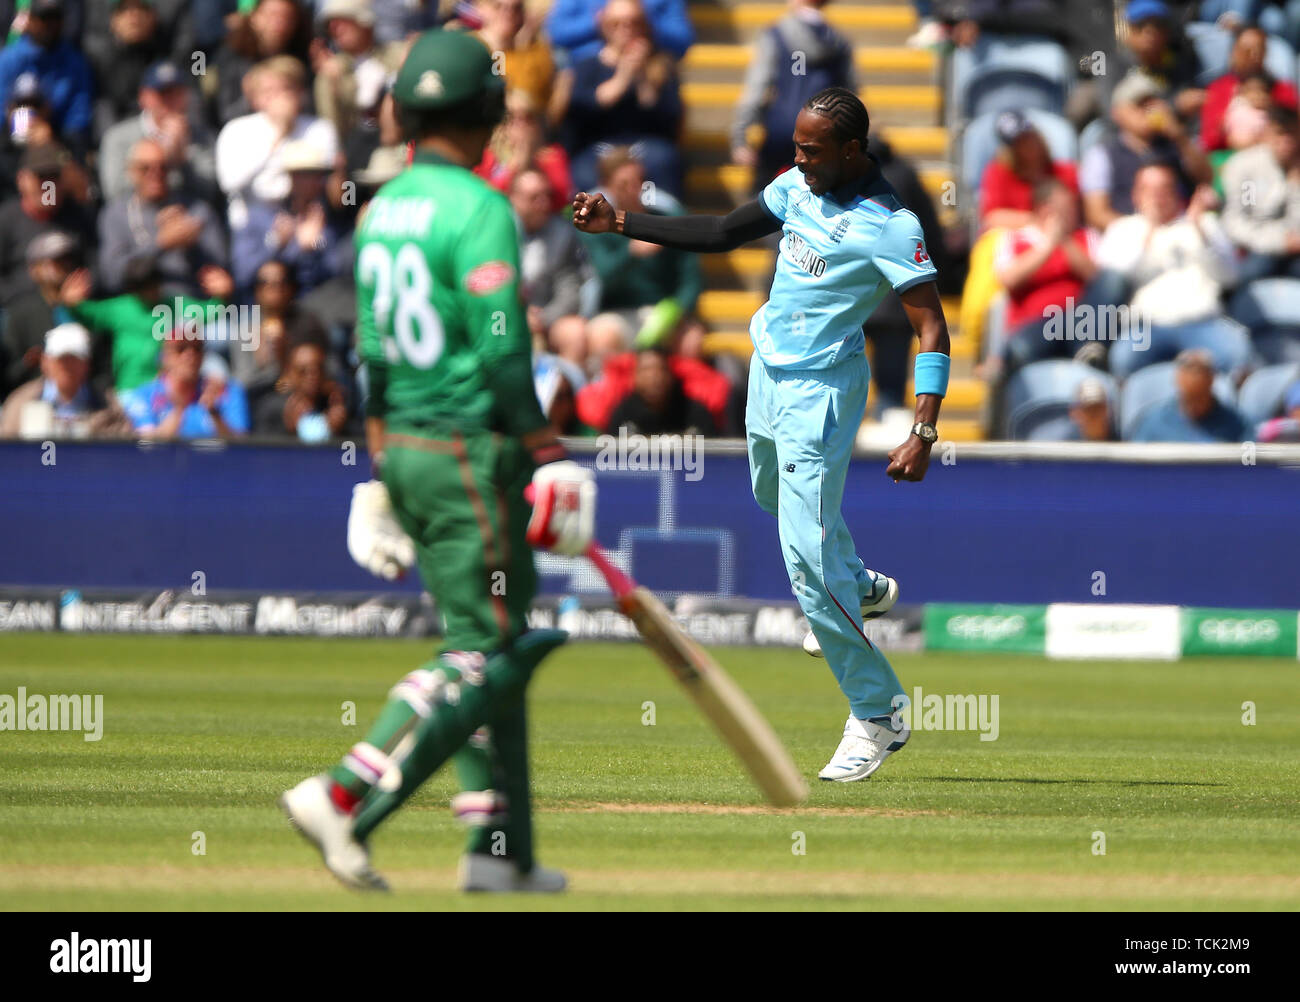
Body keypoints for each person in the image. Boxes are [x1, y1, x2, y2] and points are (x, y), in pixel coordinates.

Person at [279, 29, 597, 895]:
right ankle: (344, 795)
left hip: (412, 446)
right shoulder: (479, 205)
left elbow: (372, 357)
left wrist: (381, 471)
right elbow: (501, 354)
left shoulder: (381, 207)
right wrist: (546, 449)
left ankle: (500, 855)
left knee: (487, 645)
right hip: (468, 449)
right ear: (488, 112)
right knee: (487, 653)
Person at [573, 86, 952, 783]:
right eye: (797, 146)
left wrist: (924, 429)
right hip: (768, 374)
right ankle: (858, 582)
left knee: (805, 560)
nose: (799, 158)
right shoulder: (798, 186)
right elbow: (720, 231)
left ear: (852, 151)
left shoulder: (889, 223)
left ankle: (878, 710)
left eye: (812, 149)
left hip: (823, 392)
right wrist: (620, 221)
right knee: (770, 497)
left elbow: (931, 323)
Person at [1094, 163, 1244, 379]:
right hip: (1148, 328)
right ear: (1136, 194)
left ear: (1177, 192)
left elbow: (1230, 277)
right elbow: (1112, 283)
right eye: (1150, 190)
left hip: (1203, 323)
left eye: (1165, 189)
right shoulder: (1122, 229)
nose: (1158, 197)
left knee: (1238, 355)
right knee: (1123, 361)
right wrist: (1150, 231)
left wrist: (1200, 231)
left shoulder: (1204, 223)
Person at [555, 0, 684, 197]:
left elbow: (668, 116)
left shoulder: (662, 66)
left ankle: (656, 218)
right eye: (617, 24)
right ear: (604, 26)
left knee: (662, 161)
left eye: (633, 23)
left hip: (646, 146)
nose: (626, 30)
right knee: (586, 171)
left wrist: (642, 77)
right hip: (598, 146)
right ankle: (595, 219)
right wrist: (623, 76)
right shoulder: (587, 65)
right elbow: (580, 109)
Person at [730, 0, 855, 190]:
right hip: (824, 135)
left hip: (782, 131)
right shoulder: (838, 41)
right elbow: (850, 96)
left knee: (765, 202)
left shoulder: (776, 34)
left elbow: (757, 88)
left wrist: (740, 137)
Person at [1079, 72, 1211, 232]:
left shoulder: (1177, 143)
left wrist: (1178, 135)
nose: (1148, 111)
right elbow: (1097, 214)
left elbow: (1206, 179)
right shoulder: (1102, 155)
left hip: (1182, 230)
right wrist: (1144, 232)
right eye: (1139, 105)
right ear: (1117, 114)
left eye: (1153, 103)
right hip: (1131, 240)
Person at [97, 138, 228, 297]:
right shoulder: (115, 215)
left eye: (163, 167)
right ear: (130, 171)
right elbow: (112, 276)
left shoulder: (197, 210)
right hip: (140, 308)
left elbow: (220, 270)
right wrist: (160, 244)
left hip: (191, 305)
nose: (155, 174)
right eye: (145, 168)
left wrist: (191, 244)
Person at [0, 323, 130, 438]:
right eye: (61, 360)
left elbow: (123, 451)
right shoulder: (20, 402)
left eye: (74, 359)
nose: (67, 367)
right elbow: (7, 452)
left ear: (86, 364)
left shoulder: (108, 404)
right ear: (45, 362)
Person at [1220, 104, 1300, 281]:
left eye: (1293, 133)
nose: (1288, 141)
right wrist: (1279, 243)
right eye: (1280, 133)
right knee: (1254, 271)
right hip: (1258, 248)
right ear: (1267, 134)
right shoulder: (1248, 169)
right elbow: (1240, 221)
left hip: (1295, 248)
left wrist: (1295, 185)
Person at [119, 332, 250, 439]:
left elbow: (241, 447)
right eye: (180, 348)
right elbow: (147, 447)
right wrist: (180, 407)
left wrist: (214, 414)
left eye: (197, 348)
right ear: (164, 357)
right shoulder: (141, 396)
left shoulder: (227, 391)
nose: (190, 355)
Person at [1201, 23, 1298, 153]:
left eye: (1259, 50)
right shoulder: (1218, 89)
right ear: (1234, 52)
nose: (1254, 56)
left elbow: (1293, 131)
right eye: (1247, 51)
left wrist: (1270, 108)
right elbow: (1210, 140)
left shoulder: (1282, 89)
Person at [978, 110, 1079, 233]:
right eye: (1018, 142)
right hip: (1016, 242)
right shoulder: (998, 174)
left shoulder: (1066, 172)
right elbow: (992, 218)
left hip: (1064, 239)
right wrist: (1034, 221)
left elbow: (1075, 214)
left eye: (1028, 137)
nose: (1027, 145)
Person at [1130, 348, 1247, 442]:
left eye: (1199, 399)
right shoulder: (1153, 422)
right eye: (1188, 369)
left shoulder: (1237, 425)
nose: (1194, 376)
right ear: (1177, 380)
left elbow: (1250, 463)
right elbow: (1136, 465)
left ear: (1212, 380)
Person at [607, 345, 717, 435]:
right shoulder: (622, 415)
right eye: (646, 370)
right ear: (634, 376)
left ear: (670, 375)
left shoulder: (695, 414)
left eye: (660, 369)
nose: (653, 377)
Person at [253, 338, 349, 439]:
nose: (312, 376)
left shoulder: (335, 403)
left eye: (318, 369)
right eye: (303, 371)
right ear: (290, 373)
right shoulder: (271, 409)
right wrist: (288, 429)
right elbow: (258, 448)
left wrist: (339, 429)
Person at [1065, 377, 1116, 442]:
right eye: (1087, 409)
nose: (1093, 414)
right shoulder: (1062, 445)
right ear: (1074, 413)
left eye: (1098, 407)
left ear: (1107, 410)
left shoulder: (1125, 442)